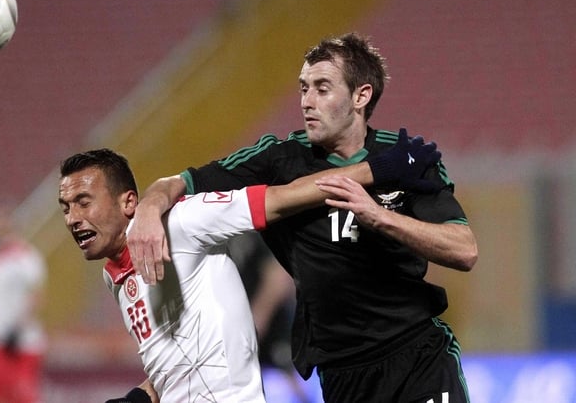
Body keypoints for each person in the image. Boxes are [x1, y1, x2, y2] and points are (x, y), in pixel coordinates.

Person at [127, 32, 479, 403]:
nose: (307, 102)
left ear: (361, 96)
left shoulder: (405, 159)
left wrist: (379, 217)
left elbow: (464, 250)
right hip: (342, 373)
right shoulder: (280, 160)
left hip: (415, 356)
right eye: (303, 88)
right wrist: (150, 207)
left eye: (322, 89)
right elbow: (180, 182)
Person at [57, 142, 438, 403]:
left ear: (128, 202)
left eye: (83, 202)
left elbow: (285, 196)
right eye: (65, 208)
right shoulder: (114, 275)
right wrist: (140, 397)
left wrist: (382, 169)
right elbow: (175, 362)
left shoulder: (184, 222)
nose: (73, 218)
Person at [0, 205, 47, 403]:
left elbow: (37, 295)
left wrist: (17, 329)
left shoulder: (26, 257)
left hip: (22, 343)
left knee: (22, 396)